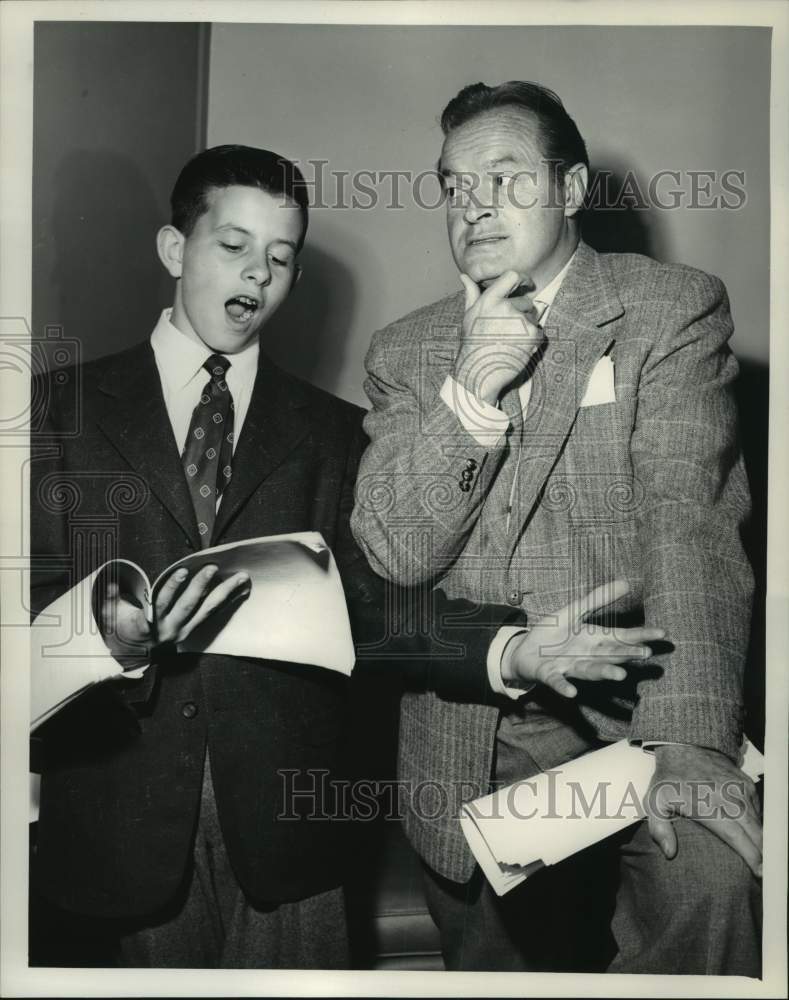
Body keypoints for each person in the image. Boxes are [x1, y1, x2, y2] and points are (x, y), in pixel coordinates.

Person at [30, 144, 610, 969]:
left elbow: (374, 607)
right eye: (232, 246)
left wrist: (508, 648)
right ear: (173, 249)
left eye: (279, 257)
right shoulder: (56, 409)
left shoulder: (335, 431)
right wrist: (103, 637)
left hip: (291, 839)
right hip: (114, 831)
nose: (257, 275)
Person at [350, 81, 762, 974]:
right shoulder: (407, 351)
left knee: (715, 894)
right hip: (473, 746)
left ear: (572, 190)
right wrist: (471, 396)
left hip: (642, 716)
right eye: (454, 186)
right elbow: (394, 556)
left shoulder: (668, 309)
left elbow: (687, 527)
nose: (473, 206)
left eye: (504, 177)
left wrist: (688, 742)